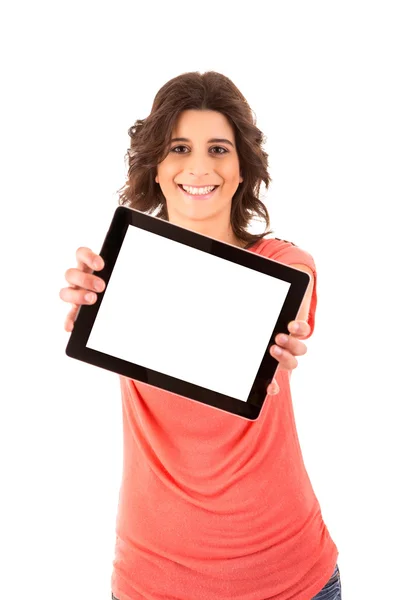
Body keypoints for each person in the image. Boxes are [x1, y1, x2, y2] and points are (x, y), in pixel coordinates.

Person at [59, 71, 341, 600]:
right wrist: (89, 303)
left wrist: (282, 335)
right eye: (179, 148)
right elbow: (92, 311)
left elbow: (293, 305)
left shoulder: (285, 264)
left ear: (241, 172)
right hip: (152, 582)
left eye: (219, 149)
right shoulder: (120, 272)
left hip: (289, 578)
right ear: (158, 170)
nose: (199, 166)